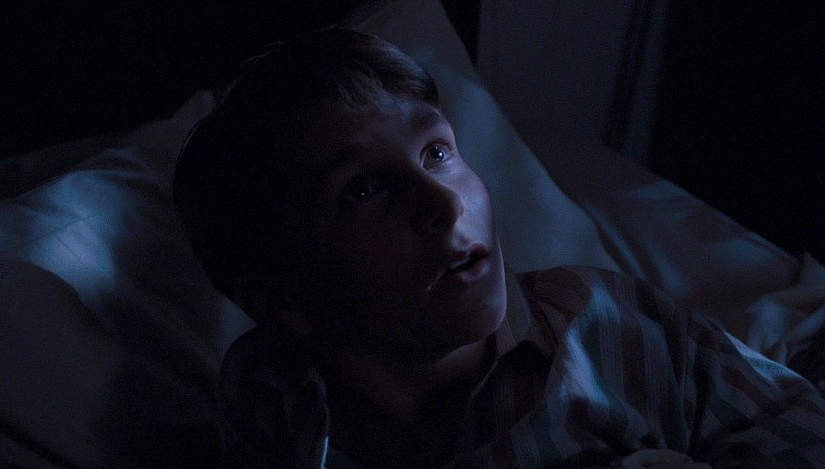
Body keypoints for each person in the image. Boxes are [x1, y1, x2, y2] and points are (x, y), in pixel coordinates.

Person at [173, 28, 825, 468]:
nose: (443, 201)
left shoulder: (607, 328)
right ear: (280, 300)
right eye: (365, 189)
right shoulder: (265, 395)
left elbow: (799, 425)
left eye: (437, 153)